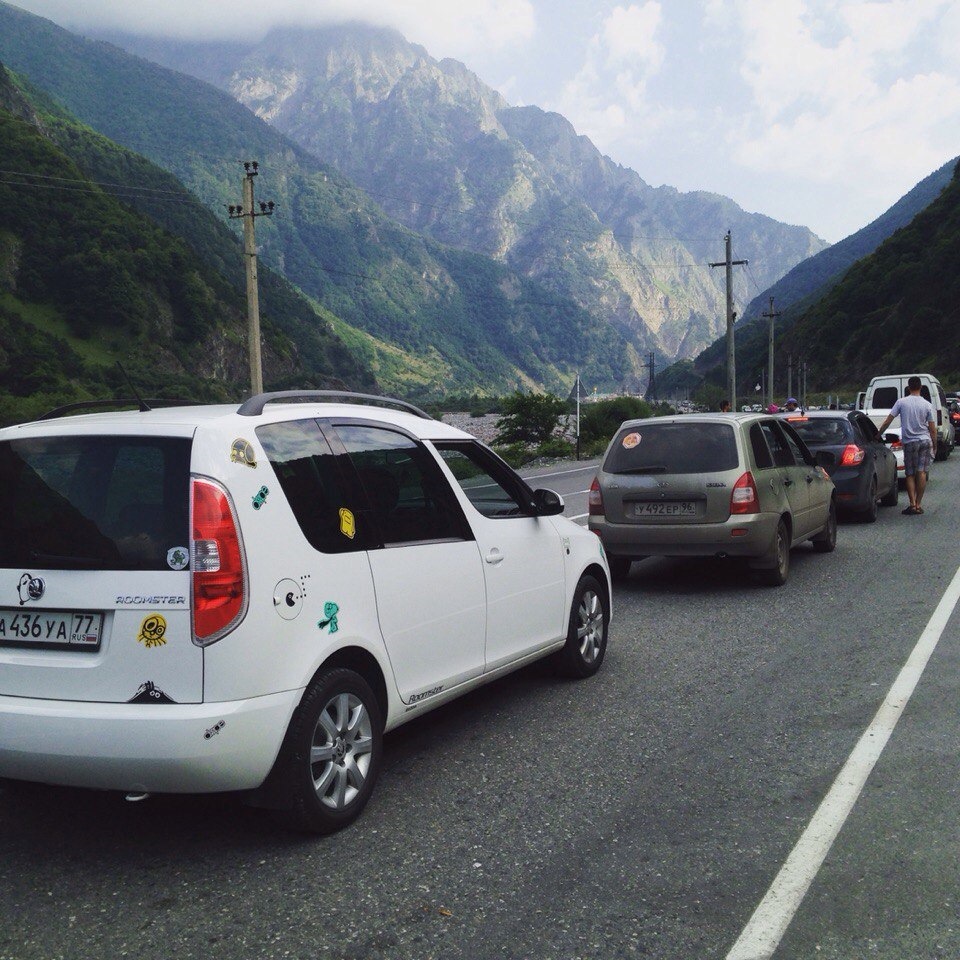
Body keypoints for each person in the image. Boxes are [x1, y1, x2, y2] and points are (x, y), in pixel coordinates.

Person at [877, 376, 936, 515]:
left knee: (910, 474)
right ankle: (919, 504)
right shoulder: (927, 404)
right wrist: (934, 444)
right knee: (921, 472)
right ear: (921, 387)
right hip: (925, 440)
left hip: (910, 442)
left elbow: (888, 421)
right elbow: (932, 428)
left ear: (908, 388)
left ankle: (912, 504)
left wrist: (878, 434)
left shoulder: (901, 402)